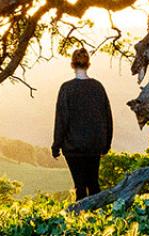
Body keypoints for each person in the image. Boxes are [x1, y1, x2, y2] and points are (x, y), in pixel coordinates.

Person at [51, 47, 113, 200]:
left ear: (72, 65)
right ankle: (99, 219)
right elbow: (107, 117)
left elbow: (62, 120)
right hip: (94, 145)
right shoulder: (98, 87)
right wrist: (106, 144)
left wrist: (56, 145)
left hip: (73, 147)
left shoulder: (67, 88)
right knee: (93, 184)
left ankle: (80, 220)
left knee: (80, 187)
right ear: (88, 64)